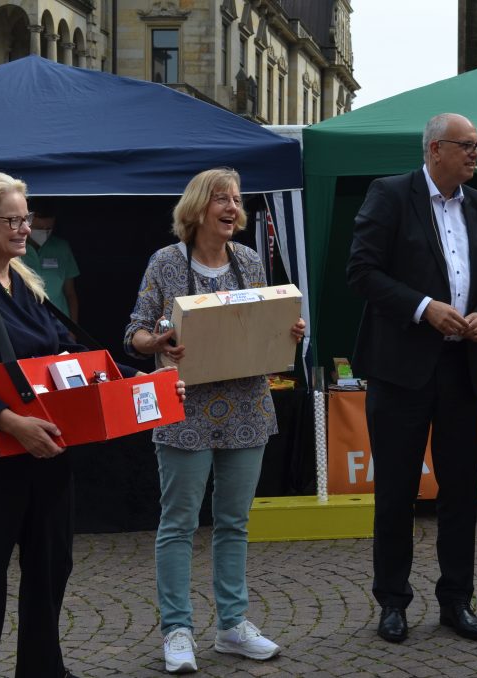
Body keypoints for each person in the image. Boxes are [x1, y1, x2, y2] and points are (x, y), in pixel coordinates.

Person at [0, 169, 184, 678]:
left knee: (50, 568)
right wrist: (11, 422)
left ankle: (43, 668)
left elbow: (76, 357)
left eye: (26, 217)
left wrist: (145, 380)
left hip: (48, 449)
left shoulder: (25, 281)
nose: (25, 228)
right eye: (12, 219)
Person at [124, 168, 305, 674]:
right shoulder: (165, 262)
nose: (231, 208)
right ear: (198, 208)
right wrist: (156, 343)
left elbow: (262, 328)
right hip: (184, 409)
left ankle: (231, 626)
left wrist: (287, 329)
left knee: (234, 522)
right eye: (221, 199)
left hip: (247, 406)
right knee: (178, 523)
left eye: (236, 199)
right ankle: (178, 630)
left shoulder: (248, 260)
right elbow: (135, 333)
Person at [346, 112, 477, 643]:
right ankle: (392, 601)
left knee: (461, 490)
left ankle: (456, 601)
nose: (475, 155)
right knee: (396, 491)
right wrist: (423, 308)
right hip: (400, 370)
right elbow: (362, 271)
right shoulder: (390, 194)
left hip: (461, 368)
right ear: (436, 148)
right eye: (468, 146)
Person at [21, 201, 80, 323]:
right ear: (27, 224)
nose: (44, 232)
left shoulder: (61, 248)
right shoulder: (14, 249)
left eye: (48, 229)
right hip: (26, 324)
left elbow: (70, 293)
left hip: (60, 325)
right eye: (39, 228)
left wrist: (73, 329)